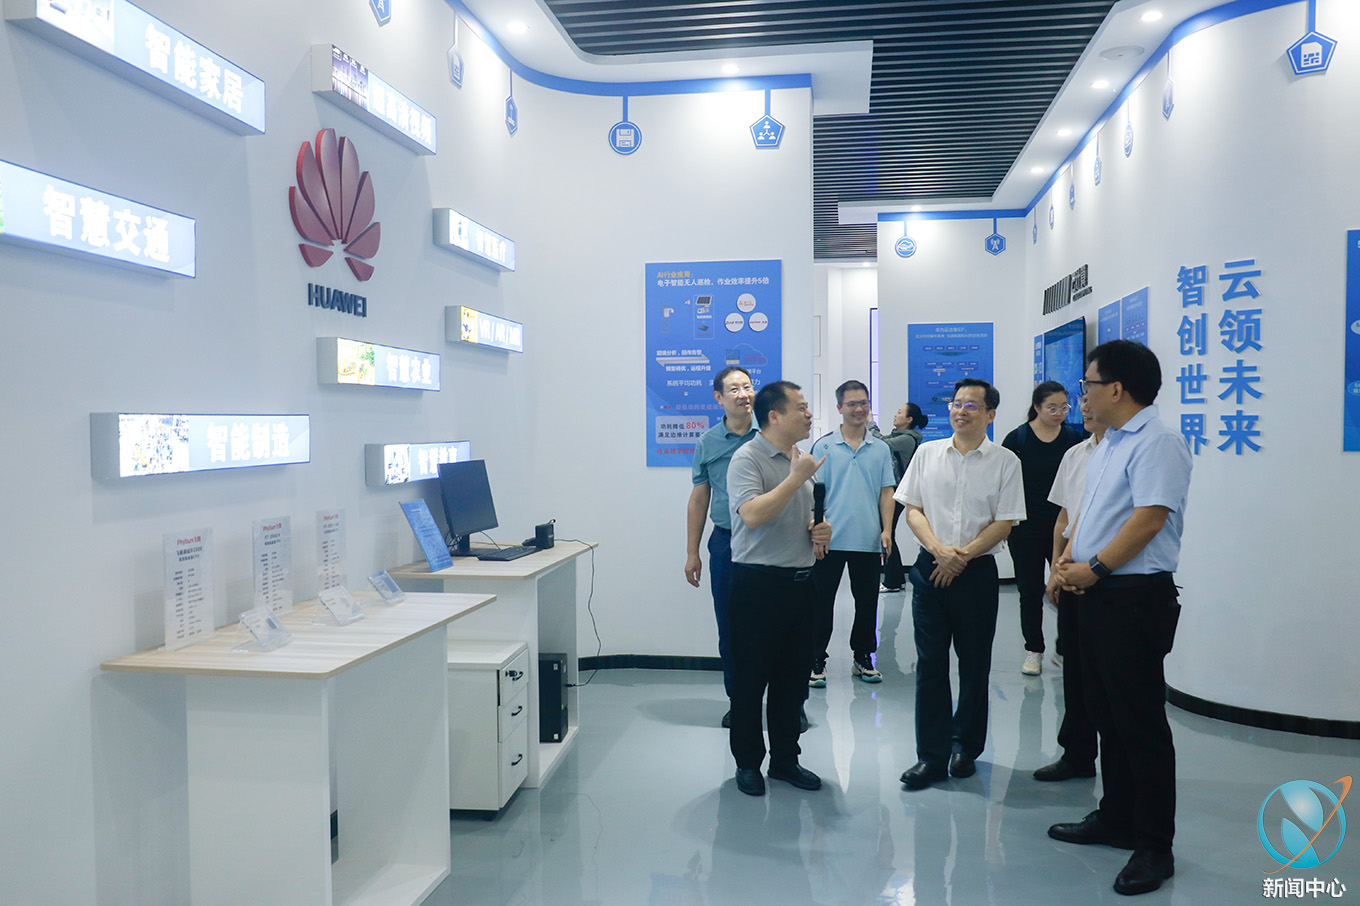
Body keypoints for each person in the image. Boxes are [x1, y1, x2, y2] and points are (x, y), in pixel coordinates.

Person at [1047, 340, 1192, 896]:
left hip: (1131, 598)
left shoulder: (1158, 441)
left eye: (1088, 384)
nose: (1083, 394)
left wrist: (1097, 567)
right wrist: (1070, 561)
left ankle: (1154, 846)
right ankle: (1116, 818)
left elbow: (1149, 519)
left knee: (1139, 724)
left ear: (1116, 388)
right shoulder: (1109, 443)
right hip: (1095, 593)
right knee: (1105, 714)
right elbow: (1090, 514)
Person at [895, 378, 1026, 791]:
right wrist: (940, 551)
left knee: (974, 665)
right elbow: (912, 509)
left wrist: (961, 557)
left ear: (990, 414)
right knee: (930, 665)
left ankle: (965, 747)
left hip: (977, 574)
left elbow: (1004, 523)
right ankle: (930, 756)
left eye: (971, 405)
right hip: (930, 570)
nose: (961, 411)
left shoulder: (1006, 462)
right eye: (956, 403)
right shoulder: (927, 453)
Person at [725, 380, 832, 796]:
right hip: (758, 586)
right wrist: (795, 478)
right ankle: (748, 763)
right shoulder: (747, 458)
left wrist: (819, 530)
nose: (809, 414)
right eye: (800, 408)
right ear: (774, 416)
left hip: (801, 585)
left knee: (792, 682)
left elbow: (796, 518)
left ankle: (786, 760)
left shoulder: (798, 458)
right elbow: (753, 515)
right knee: (751, 681)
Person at [1032, 393, 1105, 782]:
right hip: (1071, 577)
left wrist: (1093, 568)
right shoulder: (1076, 454)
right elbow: (1064, 515)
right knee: (1074, 672)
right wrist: (1056, 568)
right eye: (1083, 399)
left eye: (1092, 397)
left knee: (1107, 680)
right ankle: (1077, 754)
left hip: (1107, 580)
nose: (1082, 408)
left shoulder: (1127, 453)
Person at [808, 381, 896, 685]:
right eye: (852, 404)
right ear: (839, 408)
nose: (859, 409)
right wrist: (817, 530)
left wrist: (887, 530)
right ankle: (815, 659)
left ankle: (863, 657)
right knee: (820, 603)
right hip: (829, 540)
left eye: (863, 403)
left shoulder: (880, 448)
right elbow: (814, 493)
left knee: (867, 603)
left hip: (867, 539)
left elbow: (887, 491)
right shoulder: (824, 446)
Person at [685, 366, 757, 728]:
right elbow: (699, 499)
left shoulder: (773, 434)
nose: (744, 394)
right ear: (719, 398)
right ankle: (739, 701)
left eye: (748, 386)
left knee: (779, 626)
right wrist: (692, 552)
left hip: (771, 541)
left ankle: (789, 703)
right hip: (727, 542)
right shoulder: (708, 443)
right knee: (730, 627)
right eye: (735, 389)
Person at [1002, 381, 1084, 676]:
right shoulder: (1018, 439)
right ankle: (1033, 649)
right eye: (1052, 408)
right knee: (1030, 590)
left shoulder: (1074, 438)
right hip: (1025, 528)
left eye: (1064, 407)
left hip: (1063, 526)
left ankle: (1065, 647)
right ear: (1037, 407)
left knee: (1067, 587)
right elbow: (1003, 483)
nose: (1060, 413)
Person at [871, 402, 927, 592]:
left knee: (886, 532)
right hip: (893, 491)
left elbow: (881, 443)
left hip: (897, 492)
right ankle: (895, 578)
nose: (895, 415)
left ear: (909, 419)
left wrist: (870, 423)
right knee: (888, 533)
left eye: (900, 412)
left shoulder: (907, 439)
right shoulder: (898, 435)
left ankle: (892, 581)